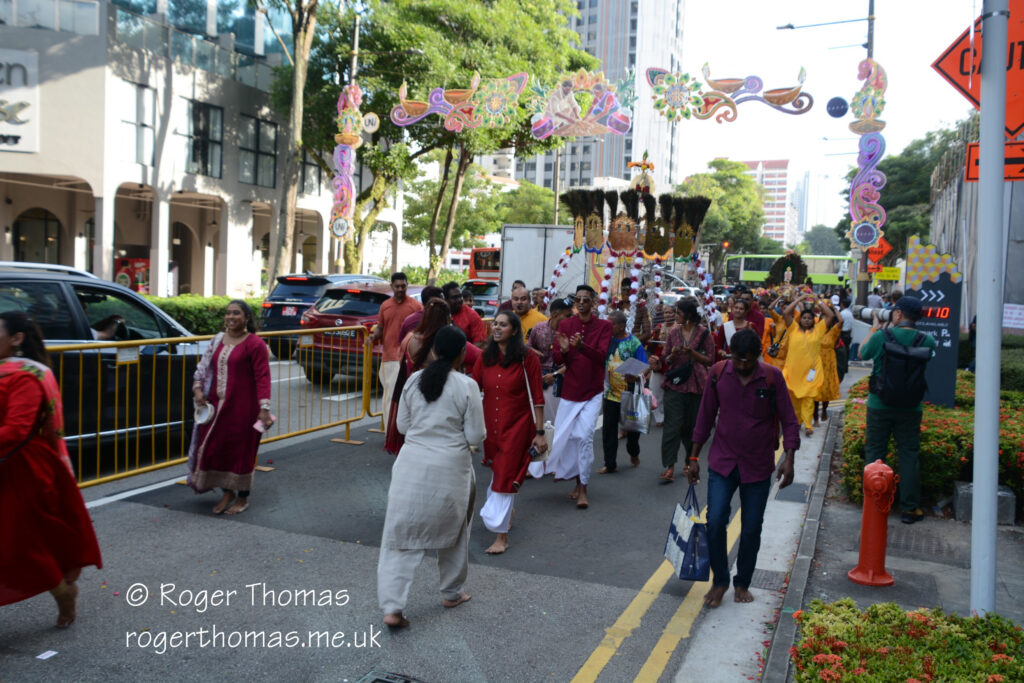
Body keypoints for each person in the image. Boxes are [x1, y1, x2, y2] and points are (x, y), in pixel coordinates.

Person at [377, 326, 485, 629]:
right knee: (455, 531)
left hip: (410, 466)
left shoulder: (414, 380)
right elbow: (475, 435)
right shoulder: (467, 385)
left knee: (400, 538)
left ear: (434, 350)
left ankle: (392, 608)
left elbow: (402, 426)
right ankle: (452, 592)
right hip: (451, 469)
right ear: (462, 353)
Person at [0, 311, 103, 627]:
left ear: (16, 339)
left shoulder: (27, 377)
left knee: (23, 544)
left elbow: (17, 430)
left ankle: (62, 592)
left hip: (22, 469)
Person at [686, 328, 800, 608]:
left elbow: (789, 419)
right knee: (715, 522)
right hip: (722, 461)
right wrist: (693, 458)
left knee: (751, 528)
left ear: (758, 356)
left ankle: (742, 582)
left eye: (748, 360)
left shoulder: (772, 377)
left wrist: (789, 458)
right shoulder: (718, 373)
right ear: (730, 355)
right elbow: (705, 417)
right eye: (738, 359)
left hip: (758, 464)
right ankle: (720, 580)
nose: (742, 365)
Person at [527, 284, 611, 509]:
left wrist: (582, 347)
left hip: (593, 391)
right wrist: (563, 351)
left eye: (586, 300)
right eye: (578, 300)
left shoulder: (604, 326)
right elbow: (557, 359)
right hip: (571, 390)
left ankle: (583, 487)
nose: (581, 303)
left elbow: (601, 357)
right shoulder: (565, 325)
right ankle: (575, 479)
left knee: (584, 437)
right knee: (568, 437)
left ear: (594, 303)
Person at [188, 300, 273, 515]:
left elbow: (263, 377)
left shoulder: (255, 344)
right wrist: (197, 389)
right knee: (214, 448)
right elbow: (202, 367)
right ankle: (227, 491)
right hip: (216, 408)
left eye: (236, 313)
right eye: (228, 313)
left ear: (246, 318)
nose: (231, 317)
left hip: (244, 409)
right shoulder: (217, 340)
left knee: (241, 452)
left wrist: (264, 408)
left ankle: (242, 498)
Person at [472, 311, 546, 555]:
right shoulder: (485, 357)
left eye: (502, 325)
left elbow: (538, 397)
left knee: (504, 477)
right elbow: (472, 389)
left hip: (518, 428)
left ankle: (501, 537)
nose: (496, 328)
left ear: (514, 330)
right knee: (499, 472)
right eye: (495, 323)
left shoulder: (527, 358)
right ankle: (506, 514)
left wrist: (540, 432)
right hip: (491, 429)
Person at [859, 295, 936, 524]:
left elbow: (863, 353)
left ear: (899, 313)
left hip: (879, 405)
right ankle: (909, 508)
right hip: (911, 407)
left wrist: (875, 328)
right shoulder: (927, 340)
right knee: (909, 454)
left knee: (875, 452)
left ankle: (874, 504)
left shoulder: (881, 336)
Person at [385, 298, 453, 455]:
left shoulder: (409, 339)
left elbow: (402, 364)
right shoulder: (444, 342)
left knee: (412, 435)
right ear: (446, 318)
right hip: (438, 398)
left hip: (412, 394)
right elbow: (477, 355)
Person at [659, 298, 714, 483]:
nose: (676, 316)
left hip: (697, 385)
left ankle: (689, 462)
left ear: (689, 315)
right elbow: (665, 358)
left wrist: (692, 353)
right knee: (672, 426)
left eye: (679, 313)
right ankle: (669, 466)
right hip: (675, 383)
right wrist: (673, 354)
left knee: (692, 427)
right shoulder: (674, 332)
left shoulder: (704, 333)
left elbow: (710, 359)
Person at [598, 311, 647, 474]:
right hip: (610, 393)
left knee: (632, 432)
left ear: (621, 326)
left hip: (630, 394)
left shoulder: (634, 343)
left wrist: (636, 375)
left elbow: (644, 366)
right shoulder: (607, 341)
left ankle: (634, 452)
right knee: (608, 430)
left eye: (611, 324)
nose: (608, 327)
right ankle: (610, 464)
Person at [371, 272, 423, 427]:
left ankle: (402, 431)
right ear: (391, 287)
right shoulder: (385, 306)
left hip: (409, 358)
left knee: (407, 397)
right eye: (397, 286)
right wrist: (372, 338)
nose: (400, 289)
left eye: (403, 286)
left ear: (407, 285)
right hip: (390, 359)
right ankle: (390, 432)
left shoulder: (415, 306)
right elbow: (381, 327)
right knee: (390, 397)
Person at [781, 293, 835, 437]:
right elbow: (786, 313)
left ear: (813, 320)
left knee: (809, 398)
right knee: (794, 399)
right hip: (793, 371)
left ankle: (808, 425)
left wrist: (817, 301)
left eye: (809, 318)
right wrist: (799, 299)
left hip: (811, 371)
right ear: (800, 319)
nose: (806, 320)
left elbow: (830, 315)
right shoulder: (793, 328)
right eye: (804, 318)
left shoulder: (819, 329)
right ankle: (798, 422)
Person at [527, 297, 572, 424]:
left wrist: (556, 375)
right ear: (555, 315)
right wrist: (533, 351)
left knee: (560, 421)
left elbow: (574, 361)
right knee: (540, 419)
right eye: (567, 316)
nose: (570, 319)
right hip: (540, 379)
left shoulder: (571, 332)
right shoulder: (538, 329)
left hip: (562, 379)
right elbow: (526, 348)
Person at [647, 302, 678, 427]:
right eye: (666, 313)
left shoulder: (679, 328)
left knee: (671, 392)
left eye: (670, 312)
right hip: (658, 362)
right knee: (655, 390)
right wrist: (655, 334)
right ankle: (659, 417)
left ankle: (670, 416)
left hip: (674, 362)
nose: (668, 315)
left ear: (675, 314)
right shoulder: (659, 326)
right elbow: (651, 345)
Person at [443, 282, 486, 346]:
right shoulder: (439, 313)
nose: (459, 300)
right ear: (445, 300)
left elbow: (480, 343)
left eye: (460, 296)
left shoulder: (472, 315)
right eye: (454, 297)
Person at [614, 276, 651, 344]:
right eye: (623, 290)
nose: (626, 293)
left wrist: (631, 343)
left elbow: (647, 333)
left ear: (633, 292)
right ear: (621, 291)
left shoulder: (641, 308)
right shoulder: (616, 306)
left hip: (633, 346)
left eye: (628, 290)